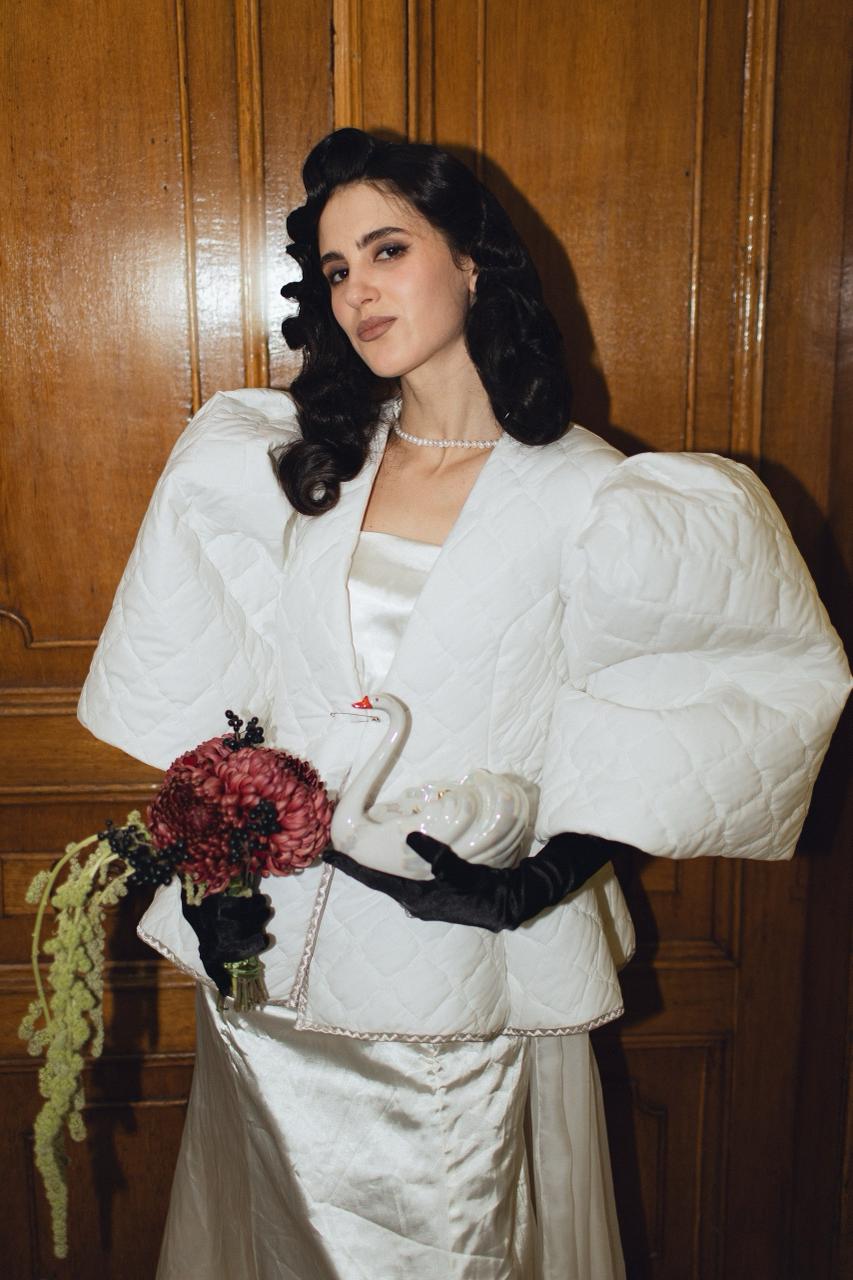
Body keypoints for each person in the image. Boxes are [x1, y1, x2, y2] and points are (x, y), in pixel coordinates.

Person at [78, 128, 851, 1279]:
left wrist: (541, 875)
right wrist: (211, 864)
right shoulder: (304, 466)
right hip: (266, 975)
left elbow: (674, 712)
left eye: (387, 249)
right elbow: (249, 699)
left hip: (449, 984)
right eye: (336, 268)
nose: (357, 289)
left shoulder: (594, 496)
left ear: (473, 260)